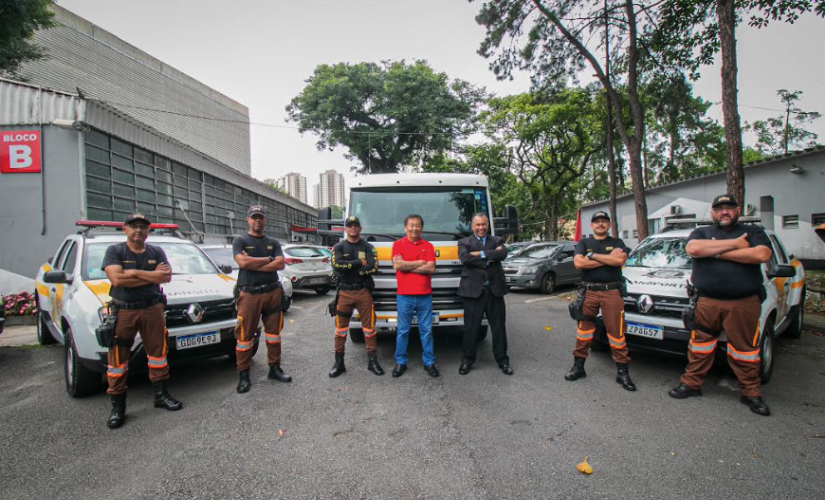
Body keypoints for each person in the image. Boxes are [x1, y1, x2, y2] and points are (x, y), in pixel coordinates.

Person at [669, 194, 773, 416]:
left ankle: (751, 393)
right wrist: (736, 245)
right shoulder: (702, 232)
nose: (724, 211)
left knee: (745, 351)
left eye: (729, 207)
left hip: (743, 303)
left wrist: (715, 251)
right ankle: (692, 384)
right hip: (706, 302)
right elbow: (694, 250)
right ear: (713, 213)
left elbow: (762, 254)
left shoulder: (754, 232)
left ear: (737, 210)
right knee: (699, 347)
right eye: (719, 208)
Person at [102, 213, 182, 429]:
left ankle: (161, 395)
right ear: (125, 229)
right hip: (124, 311)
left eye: (143, 227)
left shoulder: (157, 251)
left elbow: (165, 277)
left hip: (152, 309)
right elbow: (117, 279)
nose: (139, 230)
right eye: (134, 226)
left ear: (148, 230)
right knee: (118, 359)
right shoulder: (115, 251)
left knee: (158, 354)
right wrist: (150, 274)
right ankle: (118, 407)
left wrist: (134, 272)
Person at [565, 211, 636, 391]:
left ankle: (622, 372)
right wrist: (607, 259)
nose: (600, 224)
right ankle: (579, 367)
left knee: (617, 334)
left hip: (612, 292)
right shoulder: (584, 242)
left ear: (609, 225)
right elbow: (579, 264)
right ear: (592, 225)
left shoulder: (617, 242)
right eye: (597, 221)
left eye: (604, 221)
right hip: (588, 292)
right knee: (584, 332)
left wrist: (592, 256)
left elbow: (620, 259)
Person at [232, 205, 292, 393]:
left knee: (274, 335)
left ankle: (274, 368)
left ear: (265, 220)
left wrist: (254, 262)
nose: (257, 220)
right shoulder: (240, 241)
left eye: (260, 217)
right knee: (245, 337)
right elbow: (242, 262)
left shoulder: (273, 242)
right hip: (249, 294)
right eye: (254, 217)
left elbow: (280, 264)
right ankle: (244, 375)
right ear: (247, 220)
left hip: (272, 293)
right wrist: (268, 260)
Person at [457, 213, 513, 375]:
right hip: (473, 292)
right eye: (478, 225)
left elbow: (502, 254)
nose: (481, 227)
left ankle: (503, 361)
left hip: (494, 291)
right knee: (471, 329)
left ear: (487, 225)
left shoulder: (497, 240)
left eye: (484, 224)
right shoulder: (464, 242)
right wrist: (490, 255)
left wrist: (479, 254)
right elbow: (465, 259)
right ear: (472, 226)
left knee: (499, 328)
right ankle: (467, 361)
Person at [328, 215, 383, 377]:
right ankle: (339, 363)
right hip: (344, 293)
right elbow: (337, 265)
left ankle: (372, 362)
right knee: (341, 329)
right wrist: (359, 263)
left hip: (363, 292)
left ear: (360, 228)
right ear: (345, 228)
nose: (353, 228)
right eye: (349, 225)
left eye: (355, 225)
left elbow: (374, 267)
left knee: (369, 329)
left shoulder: (368, 247)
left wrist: (349, 268)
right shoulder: (338, 247)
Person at [391, 214, 438, 378]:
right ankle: (400, 362)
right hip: (404, 296)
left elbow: (431, 268)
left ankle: (429, 362)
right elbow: (397, 265)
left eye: (417, 225)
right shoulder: (397, 245)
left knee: (427, 331)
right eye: (411, 225)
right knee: (403, 331)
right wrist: (419, 262)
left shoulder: (429, 246)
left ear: (421, 228)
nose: (414, 228)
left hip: (425, 295)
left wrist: (406, 265)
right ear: (405, 227)